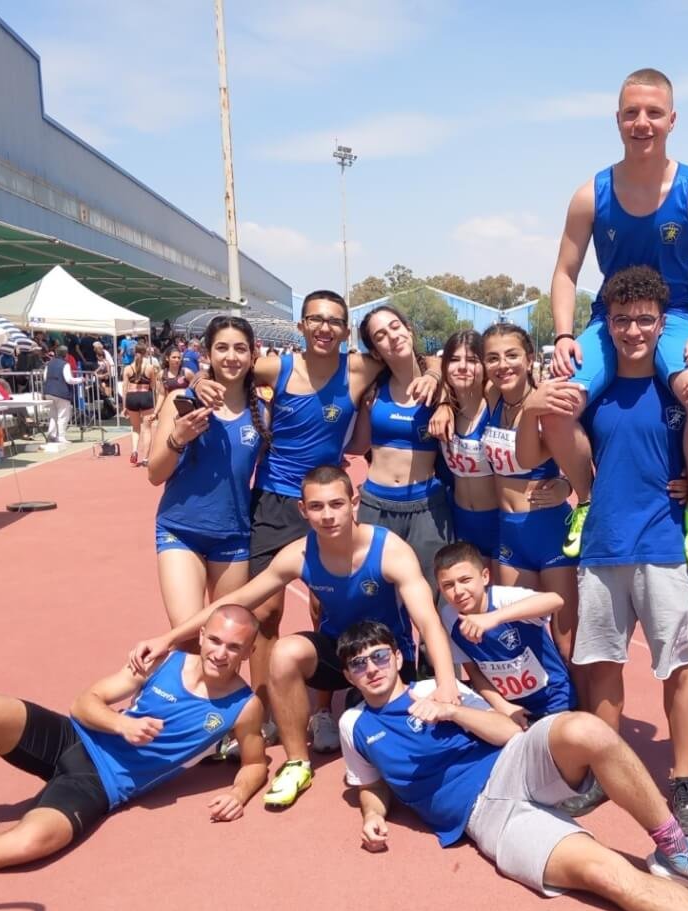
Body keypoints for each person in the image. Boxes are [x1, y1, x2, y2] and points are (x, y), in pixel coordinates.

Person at [335, 619, 688, 911]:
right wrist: (371, 814)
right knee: (604, 874)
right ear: (350, 676)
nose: (372, 668)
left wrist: (452, 710)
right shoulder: (354, 726)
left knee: (586, 729)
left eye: (380, 656)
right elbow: (371, 784)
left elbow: (507, 732)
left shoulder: (441, 689)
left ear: (397, 657)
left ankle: (675, 848)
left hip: (514, 764)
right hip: (487, 818)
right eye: (359, 663)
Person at [525, 266, 688, 833]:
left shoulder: (679, 388)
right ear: (608, 325)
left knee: (677, 668)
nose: (633, 330)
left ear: (662, 324)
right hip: (602, 545)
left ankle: (683, 777)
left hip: (664, 543)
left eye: (644, 320)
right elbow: (550, 434)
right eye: (622, 320)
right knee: (603, 669)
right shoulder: (594, 390)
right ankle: (605, 771)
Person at [130, 465, 459, 809]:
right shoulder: (298, 554)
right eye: (316, 506)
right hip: (337, 654)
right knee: (285, 652)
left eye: (336, 504)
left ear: (354, 503)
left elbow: (428, 622)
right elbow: (236, 600)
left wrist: (447, 684)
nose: (327, 515)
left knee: (394, 752)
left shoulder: (390, 550)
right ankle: (297, 763)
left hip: (384, 657)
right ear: (303, 510)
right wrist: (168, 639)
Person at [535, 67, 688, 570]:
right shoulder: (591, 194)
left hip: (674, 318)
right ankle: (587, 499)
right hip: (610, 319)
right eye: (631, 113)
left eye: (653, 113)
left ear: (672, 119)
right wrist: (564, 334)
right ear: (617, 119)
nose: (642, 123)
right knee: (556, 405)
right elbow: (564, 272)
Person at [191, 290, 385, 709]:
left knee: (328, 607)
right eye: (315, 319)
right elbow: (228, 366)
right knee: (264, 612)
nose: (324, 328)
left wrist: (432, 382)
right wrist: (198, 379)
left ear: (346, 331)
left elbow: (416, 361)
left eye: (334, 321)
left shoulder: (360, 369)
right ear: (301, 326)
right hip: (274, 501)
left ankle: (323, 708)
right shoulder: (276, 367)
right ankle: (263, 709)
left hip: (326, 503)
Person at [0, 605, 267, 869]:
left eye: (233, 647)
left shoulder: (244, 707)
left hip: (100, 784)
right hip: (71, 738)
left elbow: (255, 763)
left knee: (27, 844)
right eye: (215, 640)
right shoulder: (163, 661)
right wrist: (121, 724)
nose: (220, 654)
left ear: (248, 652)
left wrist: (238, 794)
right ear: (201, 635)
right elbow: (83, 704)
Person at [148, 316, 269, 629]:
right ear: (208, 353)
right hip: (180, 529)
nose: (231, 356)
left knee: (225, 634)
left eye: (240, 348)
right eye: (222, 348)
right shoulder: (180, 401)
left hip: (233, 535)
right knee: (185, 631)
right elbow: (155, 474)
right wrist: (178, 438)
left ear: (252, 354)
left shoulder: (263, 412)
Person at [476, 323, 577, 664]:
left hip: (548, 529)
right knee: (520, 638)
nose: (502, 365)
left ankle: (577, 700)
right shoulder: (492, 398)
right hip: (509, 532)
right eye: (492, 358)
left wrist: (567, 484)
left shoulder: (548, 401)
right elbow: (438, 365)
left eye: (512, 355)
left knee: (565, 642)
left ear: (530, 358)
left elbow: (582, 457)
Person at [348, 305, 453, 594]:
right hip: (376, 505)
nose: (392, 336)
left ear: (409, 330)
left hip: (426, 507)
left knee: (432, 592)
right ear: (376, 352)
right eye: (380, 335)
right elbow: (358, 445)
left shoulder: (442, 382)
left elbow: (441, 365)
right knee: (372, 593)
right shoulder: (373, 390)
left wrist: (442, 395)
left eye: (395, 327)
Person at [434, 541, 576, 725]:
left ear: (485, 577)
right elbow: (473, 671)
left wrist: (494, 618)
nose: (458, 591)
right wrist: (504, 707)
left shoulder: (502, 598)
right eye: (448, 585)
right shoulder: (449, 617)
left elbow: (555, 600)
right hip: (509, 710)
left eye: (465, 580)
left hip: (555, 700)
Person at [430, 330, 501, 562]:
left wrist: (564, 484)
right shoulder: (443, 410)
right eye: (454, 359)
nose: (462, 367)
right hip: (460, 521)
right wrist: (443, 403)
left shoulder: (495, 404)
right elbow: (425, 363)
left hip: (498, 522)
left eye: (472, 360)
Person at [121, 344, 158, 465]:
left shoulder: (128, 368)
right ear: (145, 353)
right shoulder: (150, 367)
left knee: (135, 428)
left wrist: (124, 406)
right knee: (147, 429)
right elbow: (153, 386)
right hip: (145, 396)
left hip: (131, 397)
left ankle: (134, 450)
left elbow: (124, 388)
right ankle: (146, 458)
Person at [42, 343, 81, 443]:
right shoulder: (65, 364)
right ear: (66, 354)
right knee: (63, 416)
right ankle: (61, 437)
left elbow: (45, 377)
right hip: (61, 392)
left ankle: (51, 434)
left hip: (49, 392)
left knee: (53, 415)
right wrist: (80, 379)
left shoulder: (49, 364)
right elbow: (69, 379)